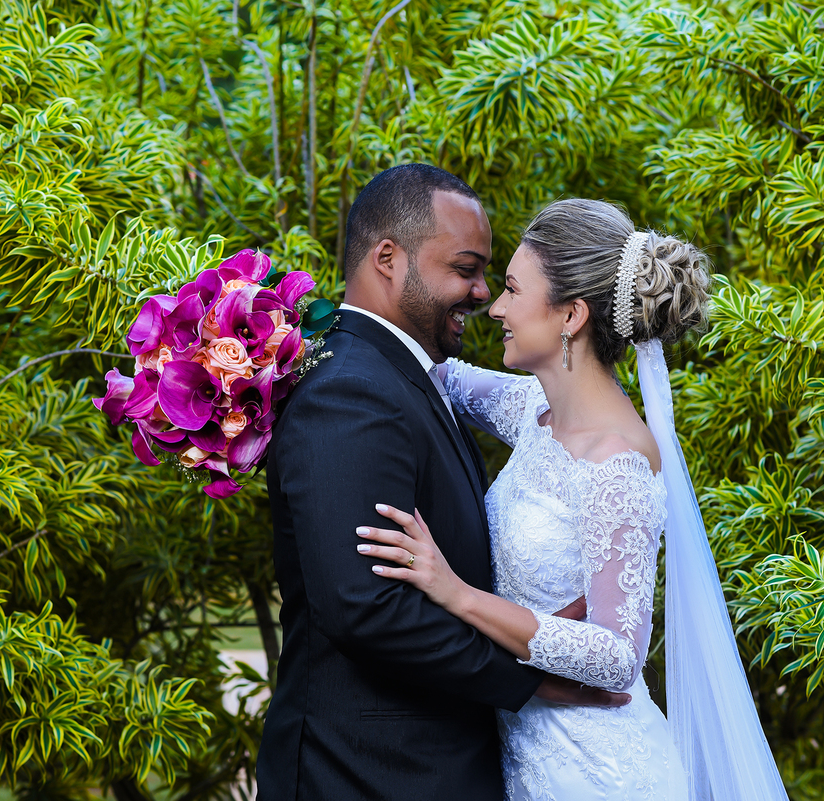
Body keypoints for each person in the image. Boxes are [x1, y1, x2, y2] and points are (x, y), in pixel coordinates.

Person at [359, 198, 791, 800]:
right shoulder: (535, 413)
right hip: (523, 751)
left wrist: (457, 594)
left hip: (595, 768)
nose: (497, 309)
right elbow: (437, 377)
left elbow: (618, 657)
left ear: (571, 315)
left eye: (512, 290)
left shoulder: (615, 461)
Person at [258, 168, 624, 801]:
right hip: (367, 774)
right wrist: (528, 677)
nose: (483, 292)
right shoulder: (350, 391)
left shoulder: (407, 375)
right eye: (465, 268)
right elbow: (366, 608)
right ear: (388, 259)